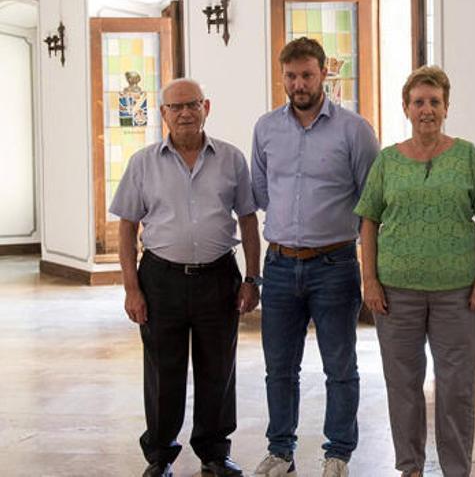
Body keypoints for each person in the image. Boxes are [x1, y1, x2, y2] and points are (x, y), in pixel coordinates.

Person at [355, 66, 475, 477]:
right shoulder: (387, 161)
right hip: (395, 294)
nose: (427, 110)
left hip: (459, 294)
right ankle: (410, 467)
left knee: (456, 387)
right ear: (406, 107)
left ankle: (457, 469)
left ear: (446, 108)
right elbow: (368, 220)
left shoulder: (467, 156)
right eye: (418, 102)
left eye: (434, 102)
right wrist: (369, 280)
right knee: (402, 385)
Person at [111, 78, 261, 477]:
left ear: (206, 107)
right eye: (175, 107)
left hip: (218, 278)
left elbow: (247, 219)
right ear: (163, 114)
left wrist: (252, 278)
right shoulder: (143, 163)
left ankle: (214, 453)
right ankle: (160, 457)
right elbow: (127, 226)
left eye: (191, 104)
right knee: (164, 372)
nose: (184, 113)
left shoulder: (231, 159)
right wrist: (131, 287)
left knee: (218, 369)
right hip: (161, 280)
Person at [251, 37, 379, 477]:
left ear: (324, 73)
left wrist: (369, 272)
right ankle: (281, 451)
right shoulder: (266, 128)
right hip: (281, 264)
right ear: (282, 76)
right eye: (290, 75)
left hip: (334, 264)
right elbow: (264, 192)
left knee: (340, 366)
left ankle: (338, 453)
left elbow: (369, 203)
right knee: (278, 368)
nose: (299, 83)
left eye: (307, 74)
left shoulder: (355, 130)